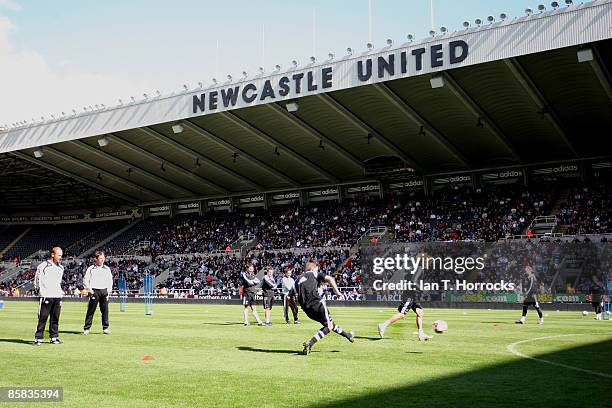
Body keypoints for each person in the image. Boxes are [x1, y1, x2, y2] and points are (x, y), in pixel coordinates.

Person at [297, 261, 354, 355]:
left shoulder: (297, 280)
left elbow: (290, 296)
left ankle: (347, 335)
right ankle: (310, 343)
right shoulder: (313, 273)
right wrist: (337, 292)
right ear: (313, 268)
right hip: (318, 304)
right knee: (329, 326)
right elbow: (330, 279)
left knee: (329, 323)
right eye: (317, 269)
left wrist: (295, 309)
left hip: (307, 310)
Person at [33, 247, 65, 346]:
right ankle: (39, 339)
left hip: (57, 295)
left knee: (55, 318)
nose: (60, 257)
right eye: (59, 255)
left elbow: (59, 282)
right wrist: (39, 291)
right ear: (52, 254)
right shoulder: (43, 266)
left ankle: (54, 337)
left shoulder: (61, 267)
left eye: (61, 255)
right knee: (43, 317)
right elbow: (37, 279)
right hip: (46, 295)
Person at [83, 250, 113, 335]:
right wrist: (90, 290)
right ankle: (87, 328)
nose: (102, 260)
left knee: (105, 310)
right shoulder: (91, 268)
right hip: (94, 291)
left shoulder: (107, 269)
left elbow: (110, 280)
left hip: (104, 291)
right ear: (96, 259)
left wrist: (108, 291)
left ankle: (105, 328)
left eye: (103, 258)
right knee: (91, 310)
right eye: (100, 258)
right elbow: (86, 279)